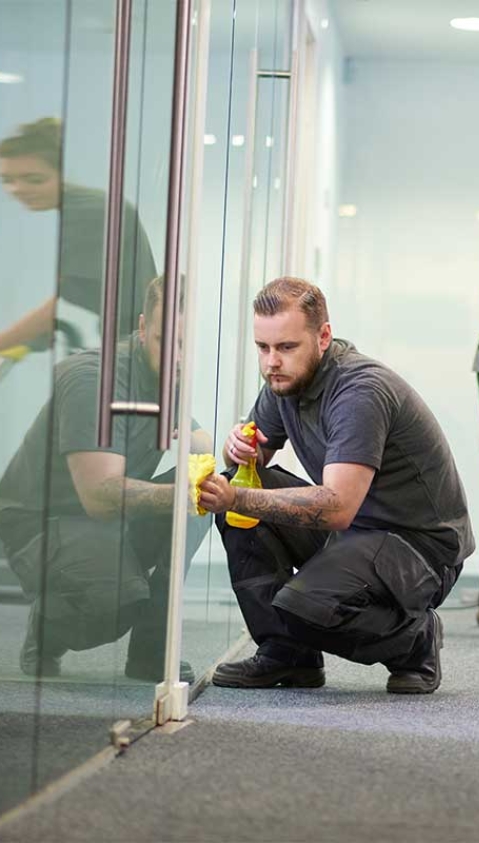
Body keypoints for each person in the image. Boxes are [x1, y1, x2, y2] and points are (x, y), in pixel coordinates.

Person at [199, 276, 475, 694]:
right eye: (263, 347)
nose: (272, 361)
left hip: (420, 549)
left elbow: (336, 507)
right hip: (357, 534)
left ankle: (415, 639)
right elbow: (255, 464)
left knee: (302, 605)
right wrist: (236, 449)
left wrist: (238, 495)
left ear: (323, 336)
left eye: (286, 347)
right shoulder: (284, 379)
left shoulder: (359, 391)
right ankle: (287, 655)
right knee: (240, 510)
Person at [0, 276, 211, 682]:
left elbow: (202, 442)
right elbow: (98, 496)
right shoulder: (92, 381)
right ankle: (46, 627)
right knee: (116, 605)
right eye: (165, 341)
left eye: (186, 345)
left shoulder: (167, 374)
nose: (176, 358)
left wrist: (190, 442)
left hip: (107, 518)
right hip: (43, 523)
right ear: (142, 325)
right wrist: (183, 493)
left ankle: (151, 654)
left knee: (200, 501)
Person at [0, 117, 157, 350]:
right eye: (7, 180)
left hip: (132, 354)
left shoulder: (89, 211)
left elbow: (57, 307)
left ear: (62, 173)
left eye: (35, 179)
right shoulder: (83, 206)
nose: (18, 189)